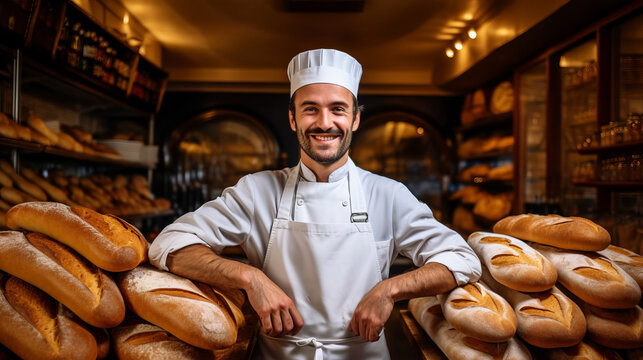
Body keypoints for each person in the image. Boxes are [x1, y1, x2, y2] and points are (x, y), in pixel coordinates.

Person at [149, 48, 481, 359]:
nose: (324, 123)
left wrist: (389, 291)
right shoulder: (257, 191)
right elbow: (169, 244)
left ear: (354, 120)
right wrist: (250, 278)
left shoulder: (388, 195)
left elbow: (462, 259)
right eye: (311, 109)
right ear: (293, 119)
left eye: (338, 108)